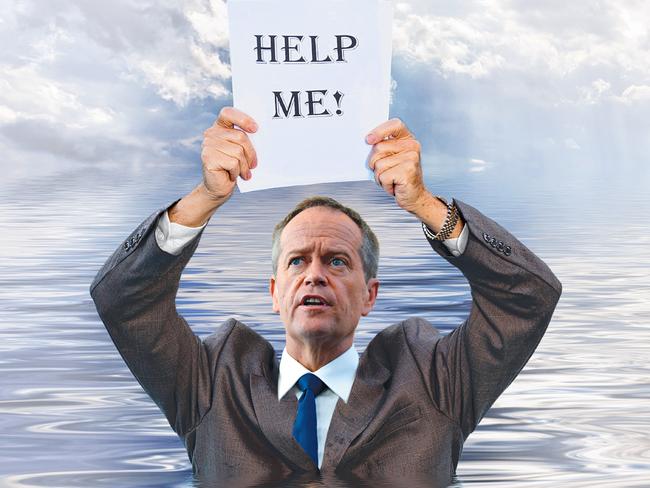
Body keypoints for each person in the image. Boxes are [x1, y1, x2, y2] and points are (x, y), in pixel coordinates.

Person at [90, 107, 562, 486]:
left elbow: (528, 296)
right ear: (275, 293)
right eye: (296, 261)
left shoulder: (436, 381)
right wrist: (205, 198)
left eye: (337, 261)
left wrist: (423, 203)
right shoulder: (210, 383)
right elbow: (123, 299)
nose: (314, 275)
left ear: (369, 296)